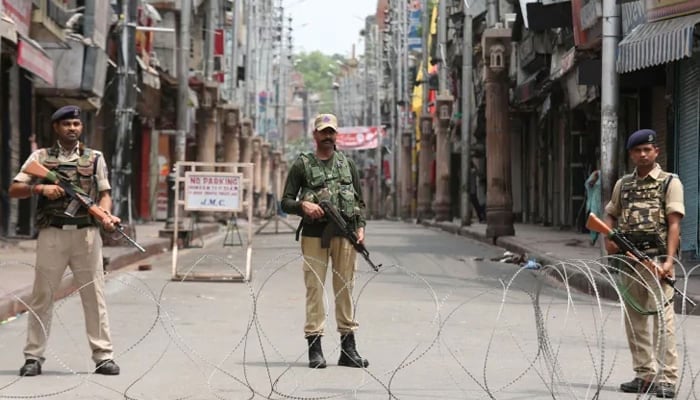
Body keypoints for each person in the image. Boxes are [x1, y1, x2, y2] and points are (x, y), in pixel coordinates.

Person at [8, 105, 121, 377]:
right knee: (42, 296)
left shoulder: (95, 158)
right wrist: (40, 188)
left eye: (76, 124)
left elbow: (104, 192)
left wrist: (105, 214)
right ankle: (33, 357)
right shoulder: (41, 157)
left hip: (86, 235)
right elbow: (14, 189)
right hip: (53, 234)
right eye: (67, 124)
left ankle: (103, 356)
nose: (73, 128)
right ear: (56, 127)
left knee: (94, 297)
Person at [281, 113, 369, 369]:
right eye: (324, 132)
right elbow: (285, 201)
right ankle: (314, 347)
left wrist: (360, 228)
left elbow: (360, 202)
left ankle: (348, 349)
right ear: (315, 135)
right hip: (313, 234)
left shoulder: (347, 164)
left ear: (336, 135)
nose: (328, 136)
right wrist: (303, 206)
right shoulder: (302, 164)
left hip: (345, 235)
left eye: (332, 132)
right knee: (315, 289)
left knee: (345, 290)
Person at [604, 129, 683, 398]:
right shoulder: (623, 185)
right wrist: (609, 240)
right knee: (635, 319)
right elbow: (611, 215)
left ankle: (668, 378)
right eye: (638, 150)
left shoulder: (670, 182)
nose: (643, 154)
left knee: (663, 320)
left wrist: (670, 261)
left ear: (656, 152)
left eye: (647, 149)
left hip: (657, 260)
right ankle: (645, 374)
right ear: (631, 154)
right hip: (629, 262)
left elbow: (674, 224)